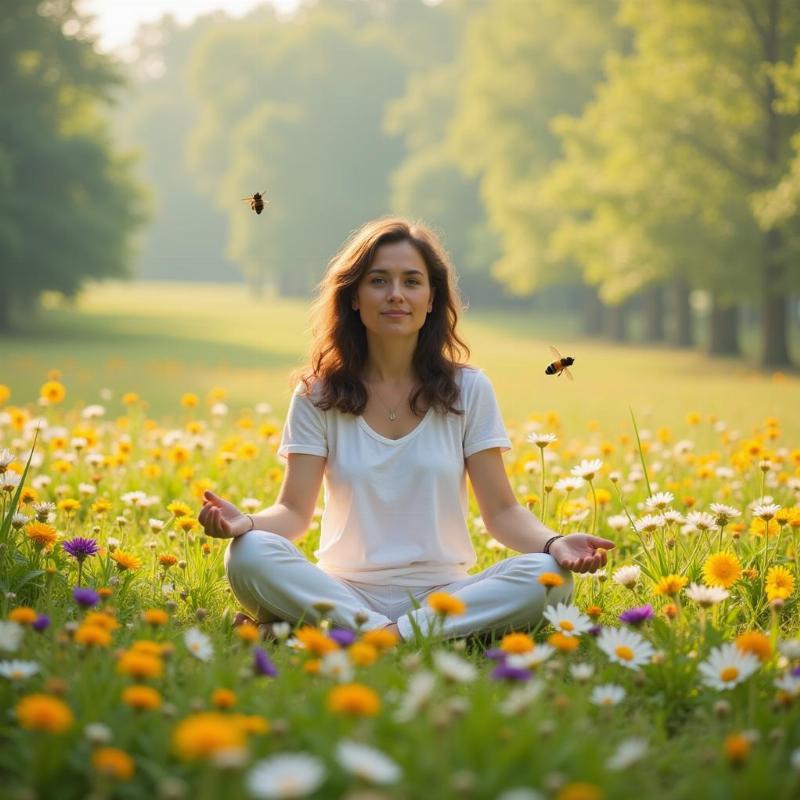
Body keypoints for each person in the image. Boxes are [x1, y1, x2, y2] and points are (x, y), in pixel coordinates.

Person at [198, 217, 614, 641]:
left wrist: (554, 543)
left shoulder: (468, 389)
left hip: (446, 594)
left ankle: (359, 637)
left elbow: (503, 513)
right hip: (341, 590)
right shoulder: (317, 393)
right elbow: (293, 513)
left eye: (411, 281)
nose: (396, 294)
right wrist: (245, 523)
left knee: (550, 577)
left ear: (432, 298)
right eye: (378, 281)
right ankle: (403, 635)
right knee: (248, 555)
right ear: (355, 297)